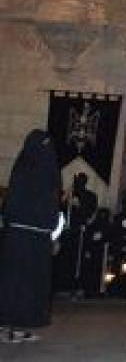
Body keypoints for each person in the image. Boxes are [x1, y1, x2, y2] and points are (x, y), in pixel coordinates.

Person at [1, 131, 61, 344]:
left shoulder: (48, 171)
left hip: (39, 237)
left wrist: (53, 233)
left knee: (32, 285)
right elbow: (14, 204)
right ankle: (7, 326)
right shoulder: (23, 169)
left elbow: (52, 205)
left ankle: (22, 325)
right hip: (20, 235)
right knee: (15, 283)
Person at [54, 172, 98, 295]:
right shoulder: (68, 194)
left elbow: (91, 214)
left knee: (78, 260)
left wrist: (79, 206)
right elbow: (59, 208)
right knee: (63, 258)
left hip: (80, 232)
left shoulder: (90, 196)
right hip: (66, 231)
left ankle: (76, 285)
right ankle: (61, 285)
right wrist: (66, 198)